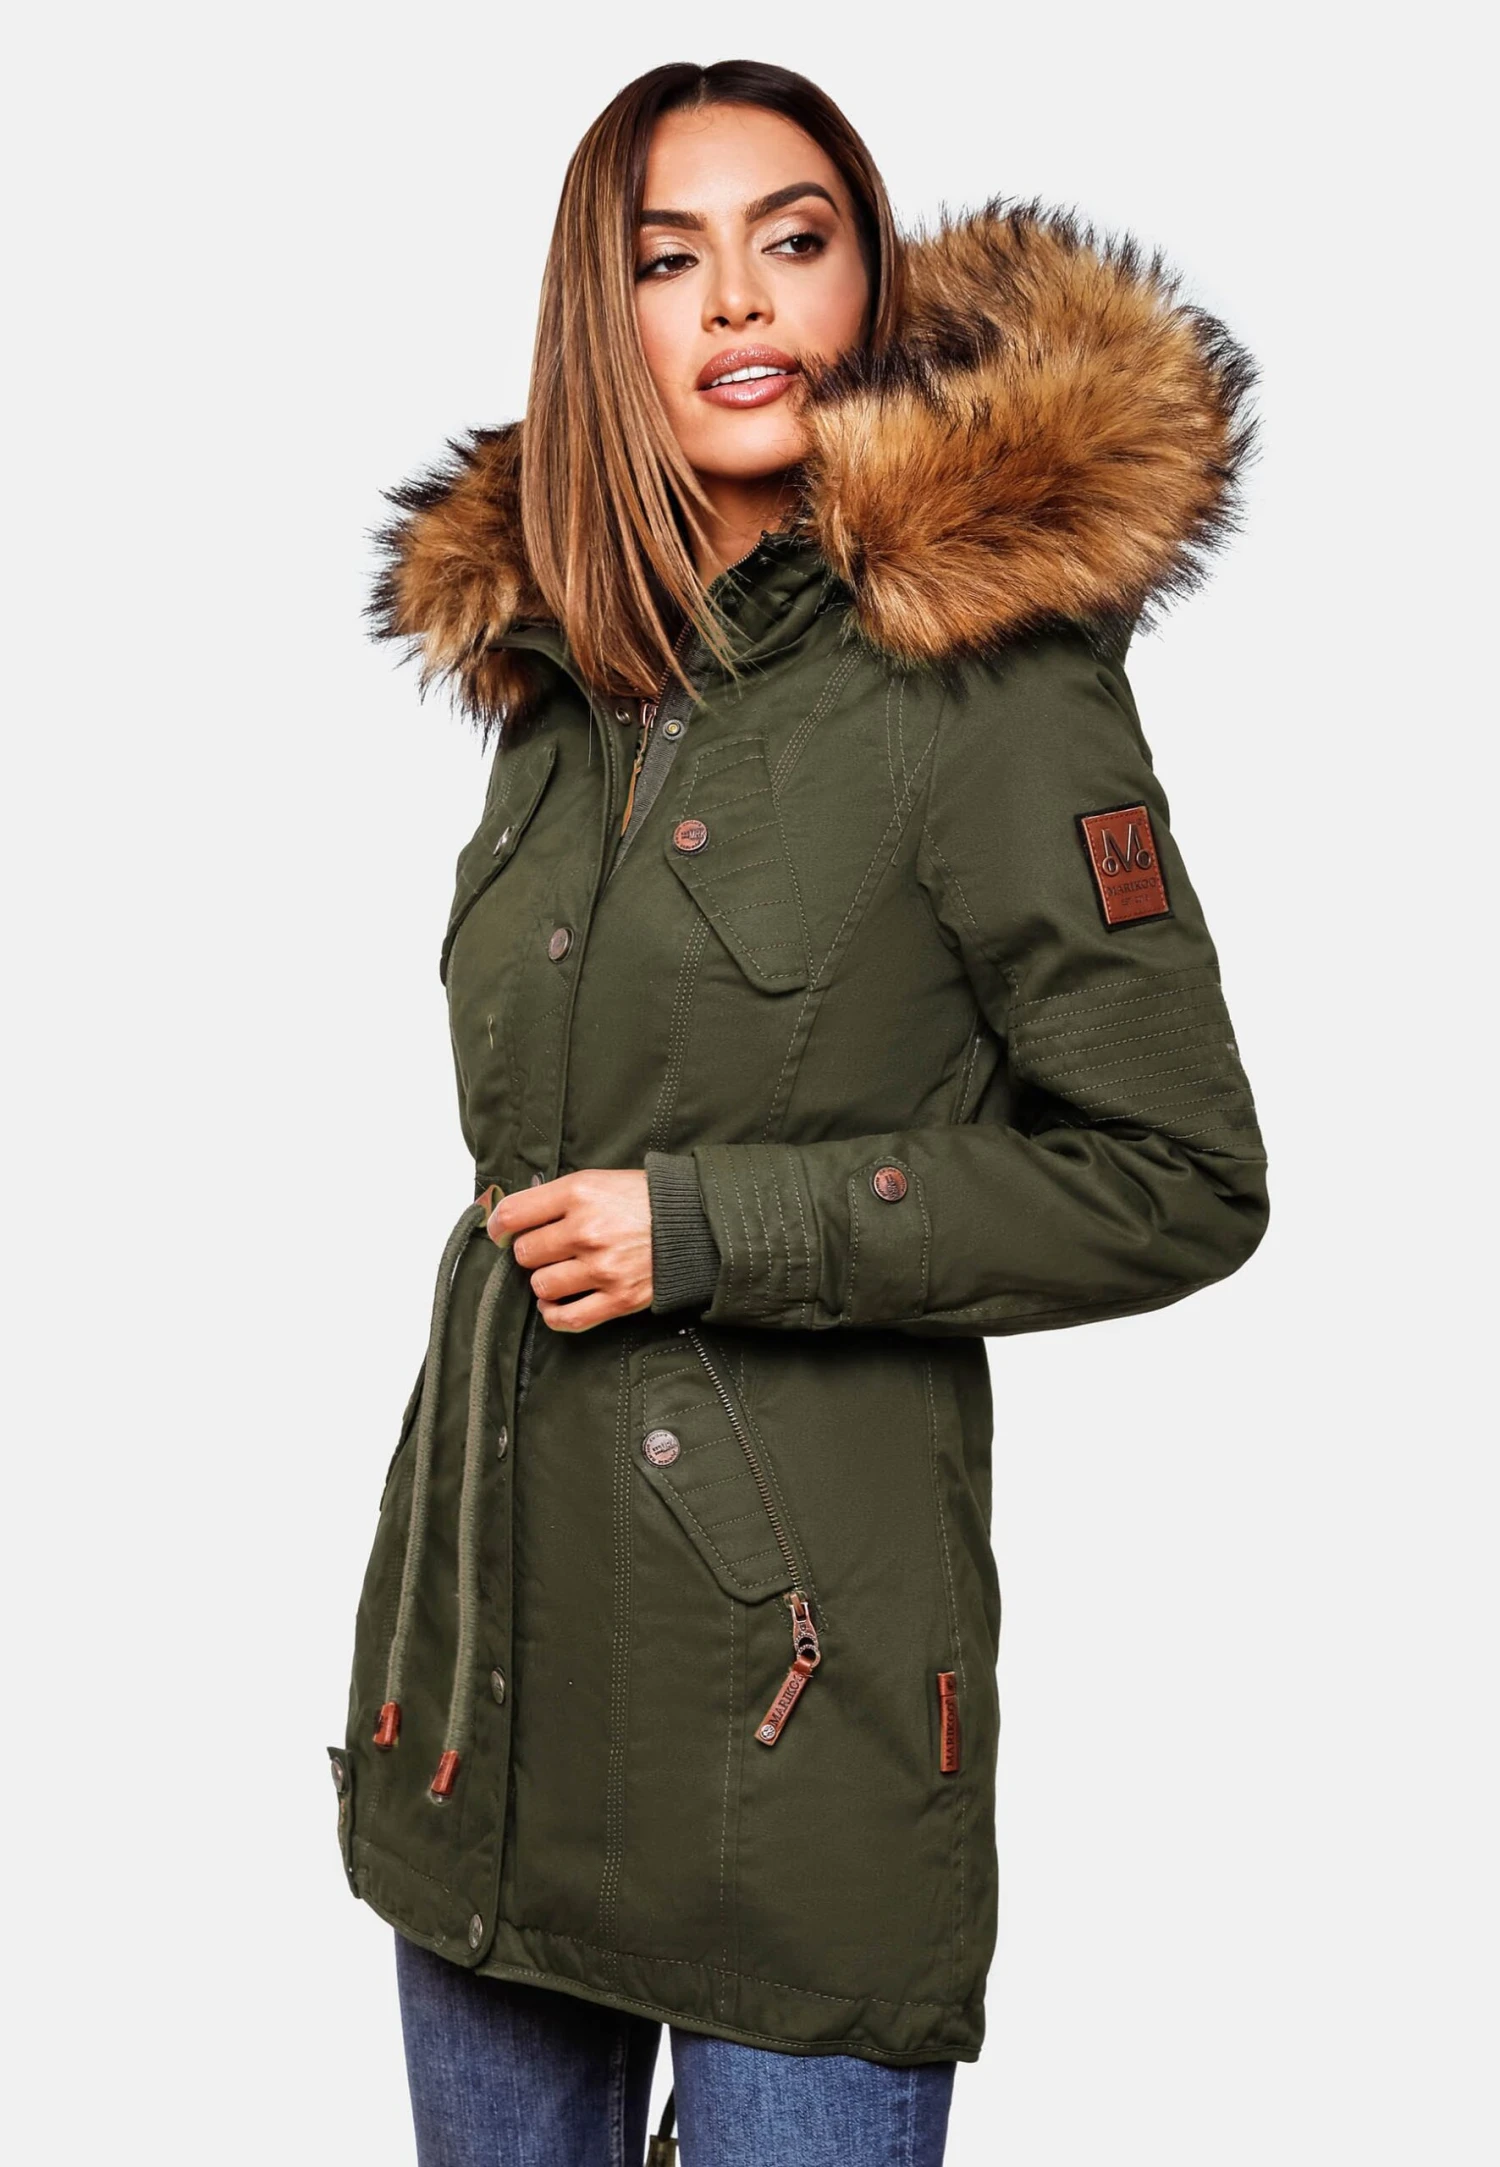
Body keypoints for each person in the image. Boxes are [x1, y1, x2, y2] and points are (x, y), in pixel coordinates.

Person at [328, 56, 1269, 2167]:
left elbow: (1179, 1177)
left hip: (797, 1734)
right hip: (482, 1700)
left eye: (795, 239)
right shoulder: (562, 673)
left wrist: (715, 1227)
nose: (740, 301)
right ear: (602, 319)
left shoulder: (990, 680)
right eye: (669, 260)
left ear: (869, 282)